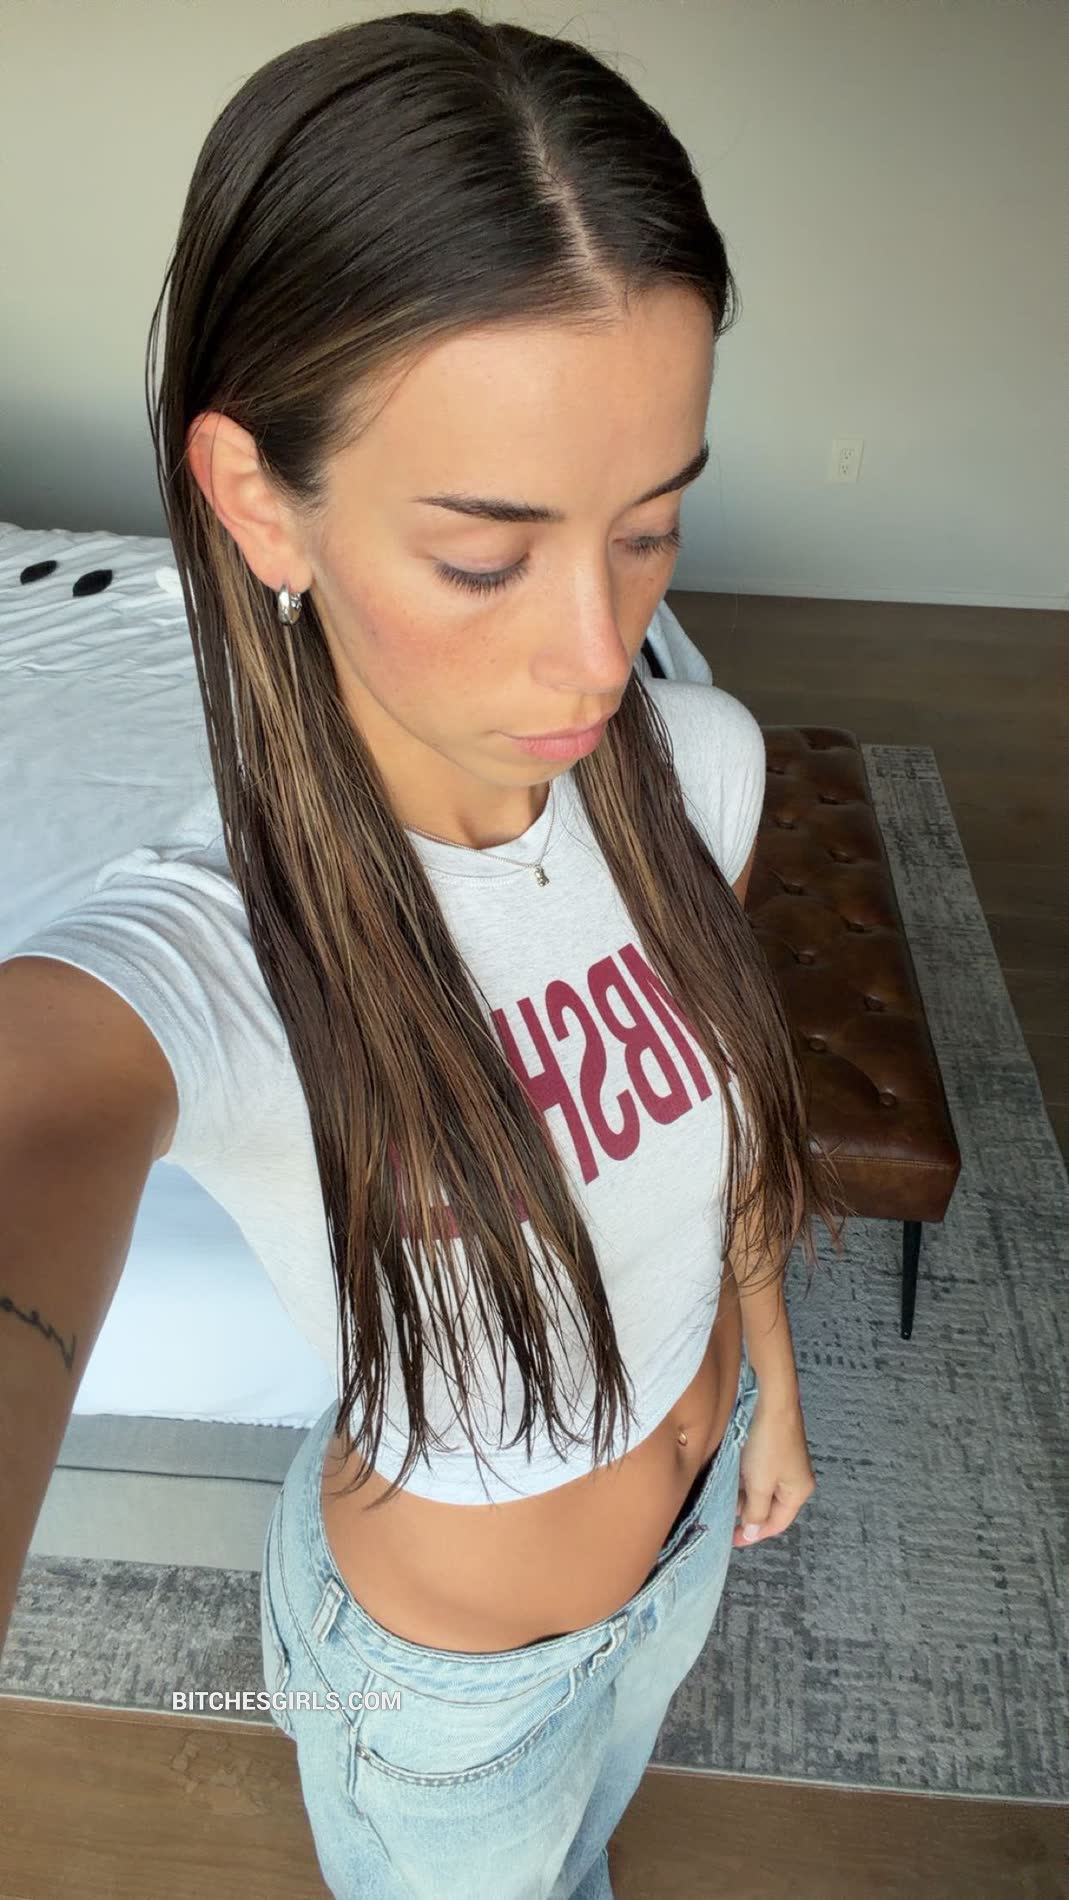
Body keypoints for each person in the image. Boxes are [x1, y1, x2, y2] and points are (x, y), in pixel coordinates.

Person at [0, 10, 848, 1895]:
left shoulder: (699, 768)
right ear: (258, 502)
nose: (597, 656)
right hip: (446, 1700)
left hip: (689, 1547)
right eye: (484, 557)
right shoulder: (225, 953)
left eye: (651, 529)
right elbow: (38, 1104)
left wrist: (769, 1386)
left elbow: (719, 1134)